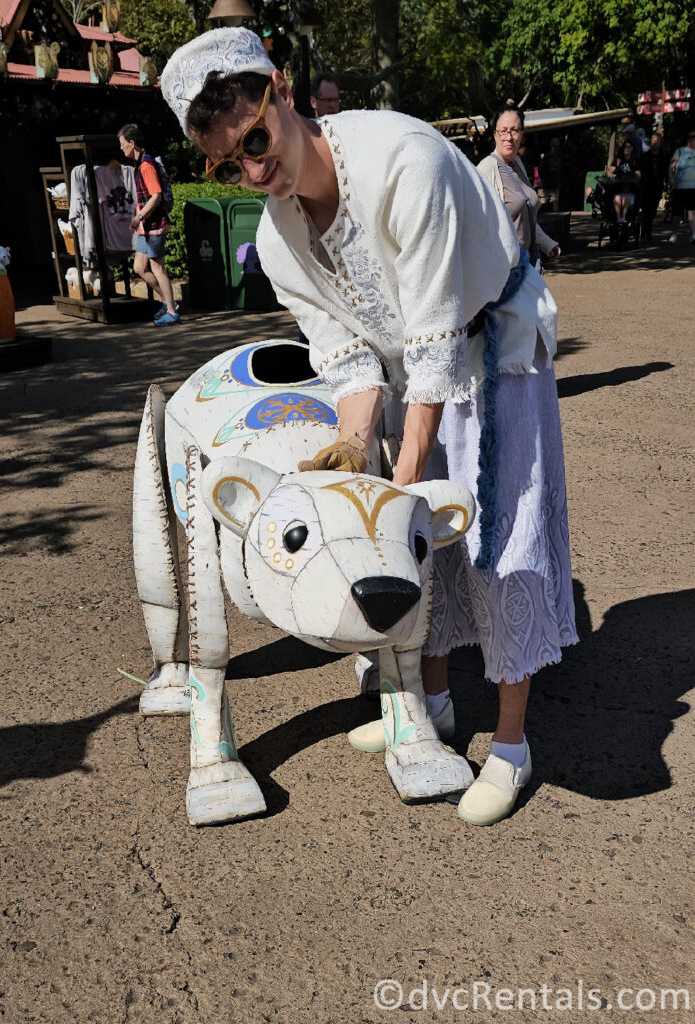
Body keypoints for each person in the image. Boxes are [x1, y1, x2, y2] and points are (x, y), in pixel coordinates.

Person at [160, 29, 577, 826]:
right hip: (414, 366)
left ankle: (513, 746)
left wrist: (403, 475)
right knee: (416, 541)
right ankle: (433, 707)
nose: (254, 172)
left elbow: (435, 335)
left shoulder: (401, 161)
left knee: (494, 538)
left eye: (255, 140)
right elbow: (354, 365)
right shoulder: (278, 243)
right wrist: (352, 457)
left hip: (494, 352)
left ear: (281, 90)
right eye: (227, 164)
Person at [477, 105, 560, 270]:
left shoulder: (517, 164)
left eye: (514, 130)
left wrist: (546, 243)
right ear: (495, 134)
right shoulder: (486, 169)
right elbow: (476, 225)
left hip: (528, 263)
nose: (508, 137)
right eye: (503, 131)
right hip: (503, 270)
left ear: (521, 134)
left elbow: (526, 216)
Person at [117, 124, 180, 325]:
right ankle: (168, 302)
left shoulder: (145, 165)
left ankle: (171, 311)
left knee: (157, 267)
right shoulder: (140, 164)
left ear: (132, 143)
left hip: (154, 224)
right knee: (139, 267)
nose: (121, 149)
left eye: (122, 144)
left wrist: (139, 216)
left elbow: (156, 195)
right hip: (146, 226)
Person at [638, 131, 670, 241]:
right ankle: (644, 232)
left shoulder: (664, 156)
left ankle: (648, 231)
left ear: (660, 143)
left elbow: (666, 171)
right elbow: (640, 170)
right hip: (646, 185)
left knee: (652, 210)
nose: (655, 143)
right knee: (645, 209)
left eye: (657, 141)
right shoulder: (645, 156)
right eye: (653, 141)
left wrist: (667, 182)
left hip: (657, 185)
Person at [667, 129, 695, 244]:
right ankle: (674, 234)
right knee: (677, 213)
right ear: (688, 140)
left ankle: (693, 235)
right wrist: (671, 177)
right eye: (691, 138)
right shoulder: (680, 151)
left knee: (692, 211)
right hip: (680, 187)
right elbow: (671, 166)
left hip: (693, 187)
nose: (693, 141)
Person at [606, 137, 641, 226]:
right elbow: (610, 171)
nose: (627, 148)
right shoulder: (618, 160)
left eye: (629, 147)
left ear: (633, 149)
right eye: (625, 146)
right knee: (617, 198)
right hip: (618, 187)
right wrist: (611, 175)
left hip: (630, 188)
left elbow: (638, 174)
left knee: (627, 199)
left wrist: (634, 177)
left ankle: (624, 218)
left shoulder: (635, 161)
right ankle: (618, 218)